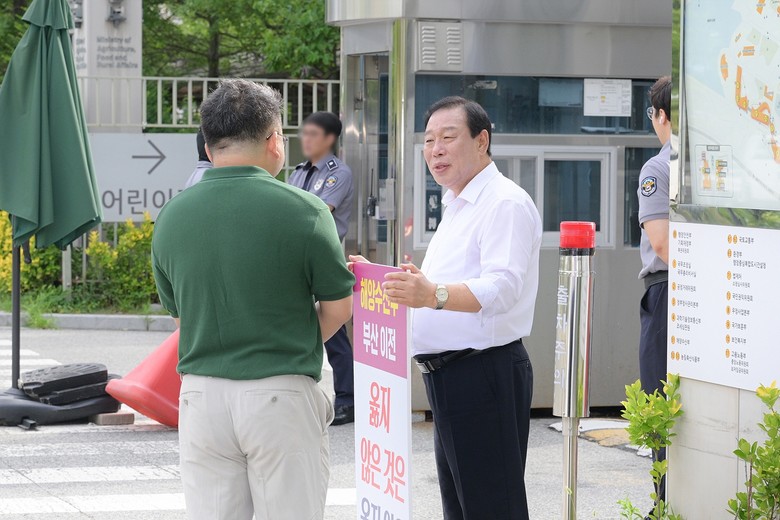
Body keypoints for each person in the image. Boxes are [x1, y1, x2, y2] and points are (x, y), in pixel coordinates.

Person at [151, 79, 354, 520]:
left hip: (202, 397)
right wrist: (290, 336)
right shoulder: (306, 211)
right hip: (280, 393)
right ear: (274, 140)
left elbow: (182, 320)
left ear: (208, 147)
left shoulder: (171, 217)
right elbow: (339, 308)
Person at [352, 96, 542, 519]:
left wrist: (432, 294)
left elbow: (502, 287)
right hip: (450, 376)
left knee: (492, 508)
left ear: (482, 141)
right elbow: (442, 287)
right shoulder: (457, 202)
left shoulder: (503, 203)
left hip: (482, 372)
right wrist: (385, 281)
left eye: (448, 137)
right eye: (428, 140)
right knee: (462, 507)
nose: (435, 150)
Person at [289, 111, 356, 425]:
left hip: (324, 257)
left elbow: (318, 212)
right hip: (297, 257)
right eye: (305, 133)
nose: (306, 139)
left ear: (330, 139)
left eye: (313, 134)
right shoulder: (298, 171)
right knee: (305, 324)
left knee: (335, 333)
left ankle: (348, 399)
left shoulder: (337, 173)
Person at [637, 75, 672, 507]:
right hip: (708, 289)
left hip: (666, 293)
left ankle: (665, 505)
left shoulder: (659, 167)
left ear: (662, 115)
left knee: (660, 400)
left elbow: (660, 242)